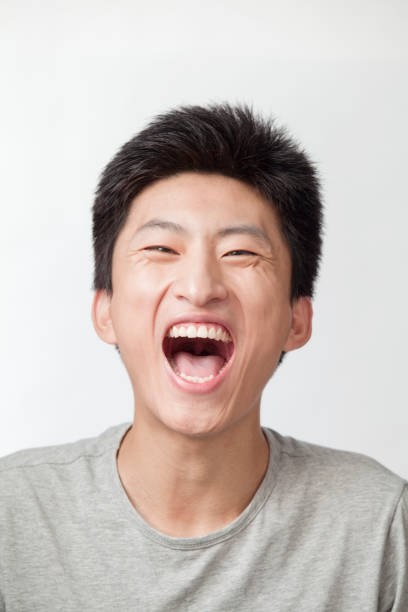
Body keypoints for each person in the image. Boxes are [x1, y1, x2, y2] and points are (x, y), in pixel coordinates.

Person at [0, 104, 406, 611]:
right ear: (105, 310)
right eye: (161, 249)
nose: (199, 287)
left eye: (241, 253)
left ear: (296, 319)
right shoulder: (13, 514)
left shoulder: (377, 526)